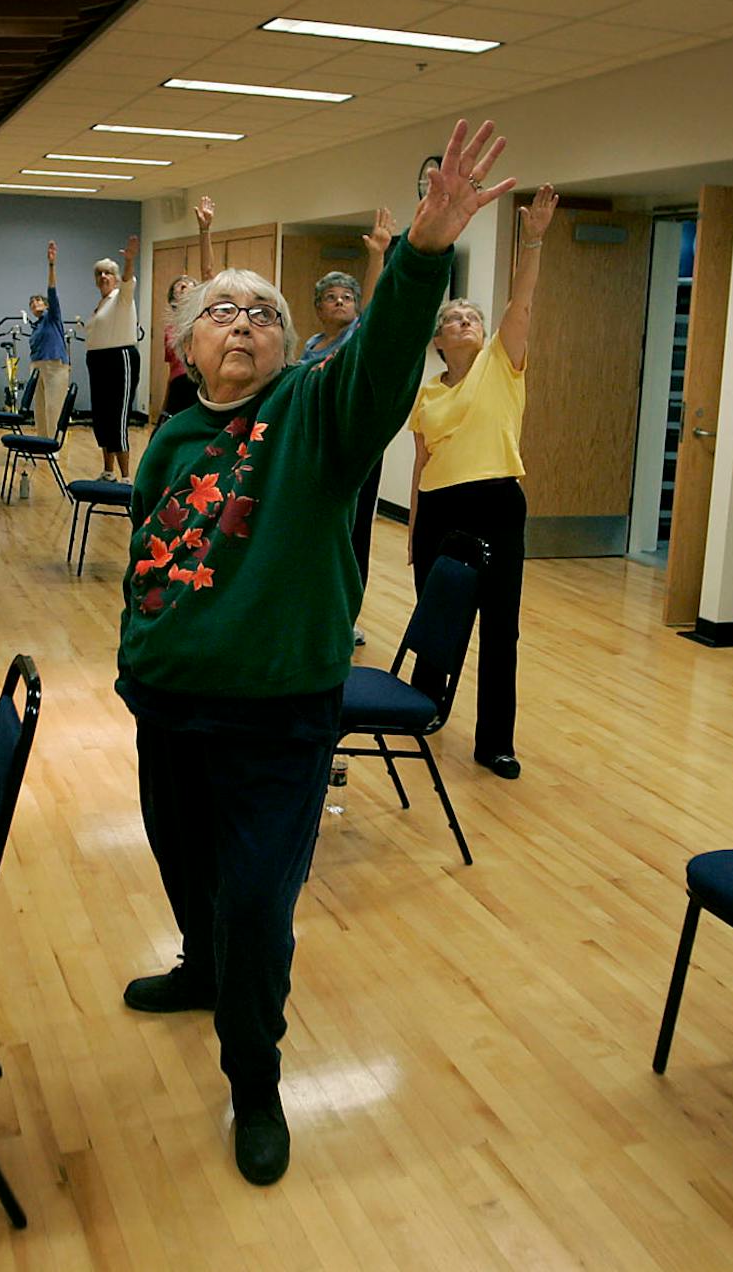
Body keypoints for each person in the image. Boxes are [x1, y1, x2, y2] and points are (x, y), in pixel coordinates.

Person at [117, 119, 516, 1187]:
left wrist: (425, 250)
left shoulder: (314, 417)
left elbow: (383, 363)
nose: (242, 324)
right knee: (185, 867)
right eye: (221, 312)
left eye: (264, 314)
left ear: (287, 348)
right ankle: (202, 969)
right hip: (167, 702)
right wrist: (136, 658)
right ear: (187, 347)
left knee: (256, 902)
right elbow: (152, 555)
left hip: (275, 716)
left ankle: (255, 1079)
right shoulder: (173, 435)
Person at [407, 186, 559, 781]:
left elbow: (522, 302)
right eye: (452, 319)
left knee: (500, 628)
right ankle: (422, 711)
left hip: (497, 502)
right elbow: (420, 469)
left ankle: (494, 740)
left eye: (470, 316)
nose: (464, 321)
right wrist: (415, 532)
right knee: (438, 619)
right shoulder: (426, 392)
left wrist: (534, 239)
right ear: (438, 340)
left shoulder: (503, 362)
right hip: (442, 510)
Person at [303, 208, 399, 629]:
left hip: (356, 449)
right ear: (318, 308)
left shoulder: (355, 338)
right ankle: (313, 604)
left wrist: (377, 255)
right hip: (317, 447)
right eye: (331, 297)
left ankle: (347, 615)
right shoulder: (310, 346)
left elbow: (376, 309)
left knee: (353, 532)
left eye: (347, 297)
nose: (340, 302)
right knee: (317, 532)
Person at [146, 196, 216, 429]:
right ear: (173, 297)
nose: (186, 287)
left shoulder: (202, 314)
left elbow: (207, 271)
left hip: (199, 381)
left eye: (190, 284)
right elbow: (171, 371)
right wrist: (163, 407)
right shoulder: (171, 329)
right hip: (178, 385)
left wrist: (204, 230)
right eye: (180, 286)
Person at [83, 234, 140, 479]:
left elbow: (128, 281)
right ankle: (108, 472)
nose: (104, 277)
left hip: (120, 360)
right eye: (100, 274)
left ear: (115, 279)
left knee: (117, 416)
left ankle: (126, 478)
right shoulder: (102, 303)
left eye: (108, 273)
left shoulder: (121, 297)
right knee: (102, 417)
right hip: (98, 361)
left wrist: (128, 260)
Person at [28, 240, 67, 445]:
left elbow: (52, 290)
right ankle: (41, 444)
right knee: (40, 410)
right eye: (32, 303)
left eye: (38, 301)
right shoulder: (36, 327)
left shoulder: (53, 318)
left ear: (46, 304)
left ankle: (54, 446)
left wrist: (51, 265)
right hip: (37, 367)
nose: (35, 304)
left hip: (55, 366)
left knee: (53, 408)